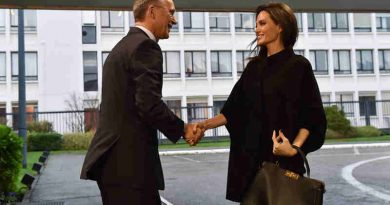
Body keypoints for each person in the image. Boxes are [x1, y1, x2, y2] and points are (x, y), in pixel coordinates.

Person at [195, 3, 327, 204]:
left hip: (284, 166)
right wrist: (202, 126)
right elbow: (232, 111)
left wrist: (293, 148)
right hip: (251, 168)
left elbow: (312, 118)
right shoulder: (254, 68)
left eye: (262, 23)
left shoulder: (299, 66)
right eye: (256, 24)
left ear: (280, 26)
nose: (257, 29)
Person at [80, 0, 202, 204]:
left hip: (114, 165)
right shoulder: (146, 47)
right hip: (129, 168)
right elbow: (148, 104)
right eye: (170, 12)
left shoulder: (121, 47)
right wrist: (184, 129)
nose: (174, 19)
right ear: (152, 11)